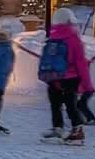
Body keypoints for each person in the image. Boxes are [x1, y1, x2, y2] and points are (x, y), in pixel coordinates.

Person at [39, 8, 90, 145]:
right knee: (71, 105)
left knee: (55, 104)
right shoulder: (73, 39)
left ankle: (58, 128)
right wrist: (87, 84)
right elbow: (81, 63)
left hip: (54, 76)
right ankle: (77, 131)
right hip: (71, 78)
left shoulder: (53, 37)